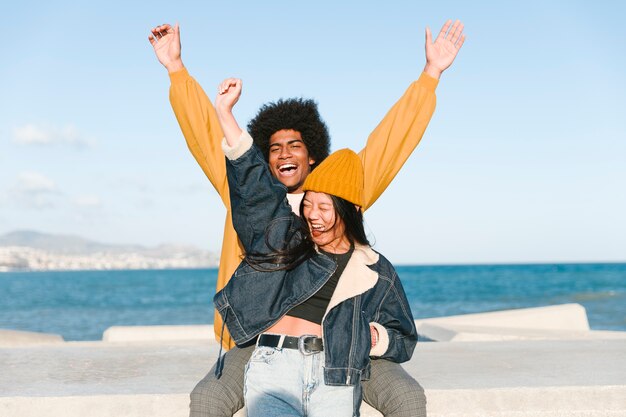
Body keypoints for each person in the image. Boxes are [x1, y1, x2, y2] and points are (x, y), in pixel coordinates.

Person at [148, 20, 465, 417]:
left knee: (405, 396)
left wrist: (430, 75)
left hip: (340, 342)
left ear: (312, 154)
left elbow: (390, 144)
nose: (283, 155)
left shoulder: (342, 195)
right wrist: (176, 69)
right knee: (208, 398)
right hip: (259, 343)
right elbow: (209, 135)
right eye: (274, 149)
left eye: (294, 146)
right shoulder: (248, 197)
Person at [215, 78, 417, 416]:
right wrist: (225, 113)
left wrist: (377, 337)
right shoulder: (291, 240)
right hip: (274, 365)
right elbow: (256, 192)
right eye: (308, 205)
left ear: (350, 210)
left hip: (336, 373)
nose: (313, 216)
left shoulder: (375, 269)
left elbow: (403, 336)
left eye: (324, 208)